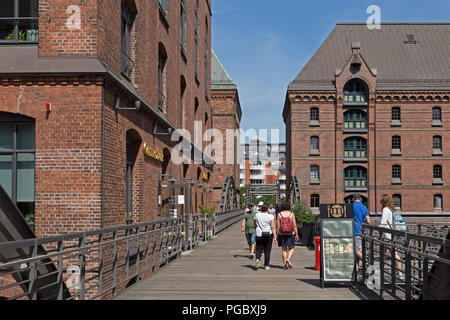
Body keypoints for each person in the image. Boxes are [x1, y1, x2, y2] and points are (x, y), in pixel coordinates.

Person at [379, 194, 404, 280]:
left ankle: (400, 273)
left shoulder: (385, 209)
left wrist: (376, 229)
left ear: (383, 202)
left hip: (387, 236)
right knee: (384, 254)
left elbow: (383, 222)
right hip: (391, 235)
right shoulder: (391, 209)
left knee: (394, 254)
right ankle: (379, 270)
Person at [254, 205, 277, 270]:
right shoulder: (270, 216)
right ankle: (266, 265)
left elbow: (254, 224)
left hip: (259, 234)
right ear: (267, 210)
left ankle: (258, 258)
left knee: (259, 248)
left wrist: (256, 229)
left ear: (261, 209)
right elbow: (272, 227)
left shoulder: (257, 215)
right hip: (268, 234)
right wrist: (275, 237)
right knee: (267, 250)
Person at [352, 193, 371, 277]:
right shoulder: (364, 207)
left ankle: (368, 264)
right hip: (360, 231)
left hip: (352, 231)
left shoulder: (351, 207)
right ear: (360, 199)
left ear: (353, 199)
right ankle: (355, 273)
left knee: (355, 251)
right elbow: (368, 221)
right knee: (357, 252)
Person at [277, 203, 298, 270]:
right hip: (291, 233)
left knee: (284, 249)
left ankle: (285, 265)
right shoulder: (291, 214)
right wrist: (297, 234)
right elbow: (294, 225)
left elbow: (278, 226)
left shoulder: (279, 214)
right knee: (292, 248)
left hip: (282, 233)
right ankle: (288, 259)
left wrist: (277, 234)